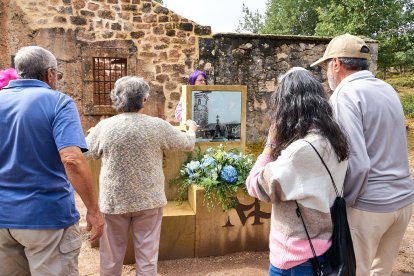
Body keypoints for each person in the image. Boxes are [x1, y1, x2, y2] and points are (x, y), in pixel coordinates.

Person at [311, 33, 414, 275]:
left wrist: (344, 203)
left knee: (355, 271)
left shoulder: (345, 95)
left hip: (369, 206)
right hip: (403, 201)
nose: (327, 71)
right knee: (382, 271)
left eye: (327, 65)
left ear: (336, 64)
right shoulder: (387, 89)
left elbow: (357, 162)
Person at [0, 46, 104, 275]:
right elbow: (72, 160)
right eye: (57, 75)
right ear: (49, 74)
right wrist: (94, 210)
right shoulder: (58, 102)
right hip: (46, 218)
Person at [85, 76, 198, 276]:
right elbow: (186, 144)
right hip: (149, 200)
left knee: (110, 258)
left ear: (116, 98)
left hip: (114, 201)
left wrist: (92, 133)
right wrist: (191, 129)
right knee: (147, 258)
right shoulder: (157, 126)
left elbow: (86, 152)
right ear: (143, 100)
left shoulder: (105, 127)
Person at [245, 67, 349, 275]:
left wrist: (270, 144)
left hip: (295, 257)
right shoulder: (334, 140)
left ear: (288, 107)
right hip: (323, 247)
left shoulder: (300, 152)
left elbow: (255, 185)